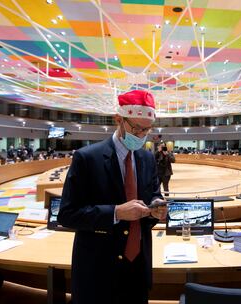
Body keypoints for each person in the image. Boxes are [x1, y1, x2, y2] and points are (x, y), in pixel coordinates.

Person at [58, 90, 167, 304]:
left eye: (147, 130)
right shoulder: (87, 158)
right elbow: (67, 214)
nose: (141, 135)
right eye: (136, 128)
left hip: (138, 270)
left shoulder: (147, 158)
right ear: (119, 119)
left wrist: (157, 209)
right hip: (98, 274)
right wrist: (116, 213)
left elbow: (154, 195)